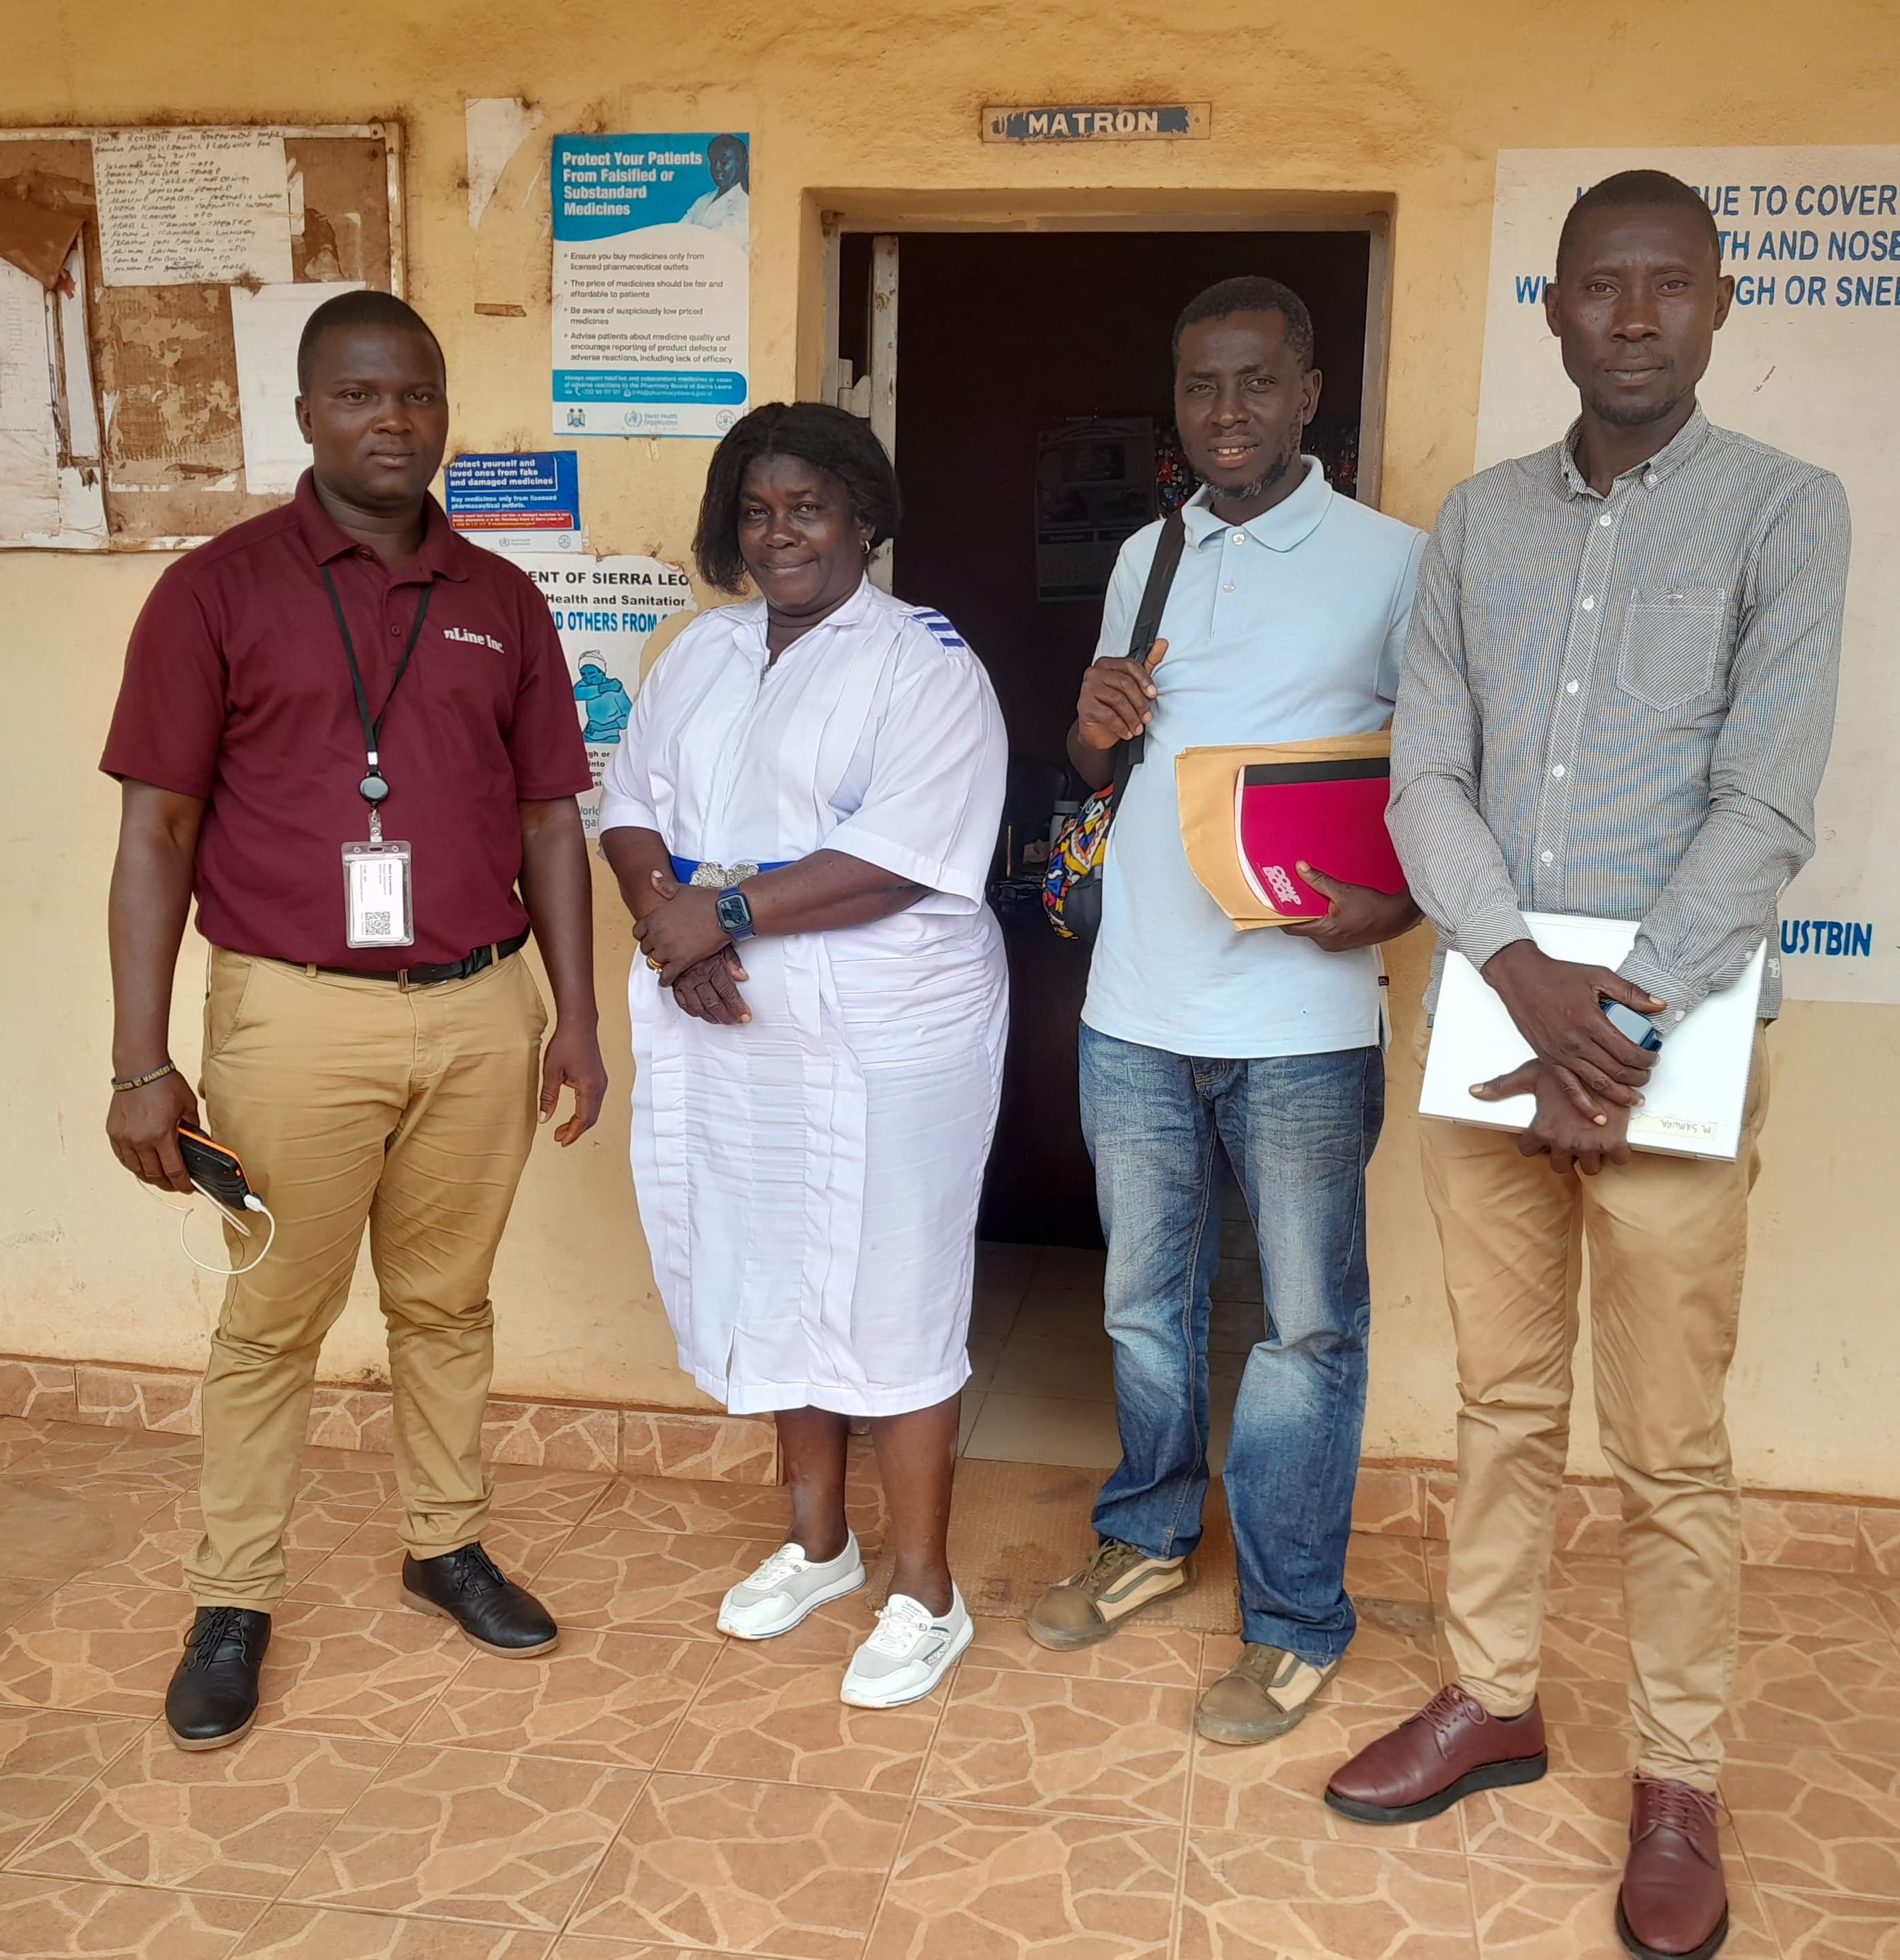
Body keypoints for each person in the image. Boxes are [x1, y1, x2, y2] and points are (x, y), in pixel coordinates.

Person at [1335, 171, 1849, 1960]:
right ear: (1550, 310)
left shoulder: (1790, 515)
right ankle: (1491, 1695)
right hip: (1500, 1024)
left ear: (1718, 308)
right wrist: (1522, 977)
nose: (1633, 317)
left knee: (1672, 1445)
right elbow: (1427, 781)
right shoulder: (1476, 527)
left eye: (1668, 287)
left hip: (1674, 1051)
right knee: (1499, 1401)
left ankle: (1681, 1781)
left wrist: (1621, 1017)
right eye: (1600, 288)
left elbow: (1768, 799)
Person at [100, 289, 605, 1752]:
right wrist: (143, 1061)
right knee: (273, 1322)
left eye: (421, 395)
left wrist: (572, 1017)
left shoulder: (501, 602)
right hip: (293, 1017)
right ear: (309, 414)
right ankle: (233, 1600)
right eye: (363, 396)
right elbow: (157, 837)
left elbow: (551, 823)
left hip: (476, 1013)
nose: (396, 422)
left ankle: (444, 1543)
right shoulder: (215, 592)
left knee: (448, 1303)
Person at [1026, 276, 1425, 1748]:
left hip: (1306, 1015)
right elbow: (1098, 767)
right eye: (1202, 389)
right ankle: (1143, 1534)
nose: (1229, 414)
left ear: (1309, 394)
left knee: (1306, 1327)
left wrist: (1402, 908)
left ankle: (1295, 1619)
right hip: (1136, 1003)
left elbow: (1449, 766)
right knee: (1143, 1299)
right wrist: (1089, 722)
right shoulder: (1149, 550)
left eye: (1257, 384)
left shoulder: (1397, 564)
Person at [599, 401, 1008, 1709]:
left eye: (810, 508)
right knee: (775, 1261)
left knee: (894, 1287)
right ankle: (819, 1545)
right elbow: (631, 806)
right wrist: (678, 927)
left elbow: (900, 857)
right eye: (759, 511)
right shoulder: (702, 653)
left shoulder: (925, 661)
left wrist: (709, 915)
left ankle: (924, 1590)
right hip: (734, 1023)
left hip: (892, 1033)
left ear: (866, 518)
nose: (783, 535)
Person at [681, 134, 750, 248]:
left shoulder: (745, 205)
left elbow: (715, 242)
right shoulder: (703, 201)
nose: (716, 168)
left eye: (724, 161)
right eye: (713, 161)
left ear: (740, 162)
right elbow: (677, 232)